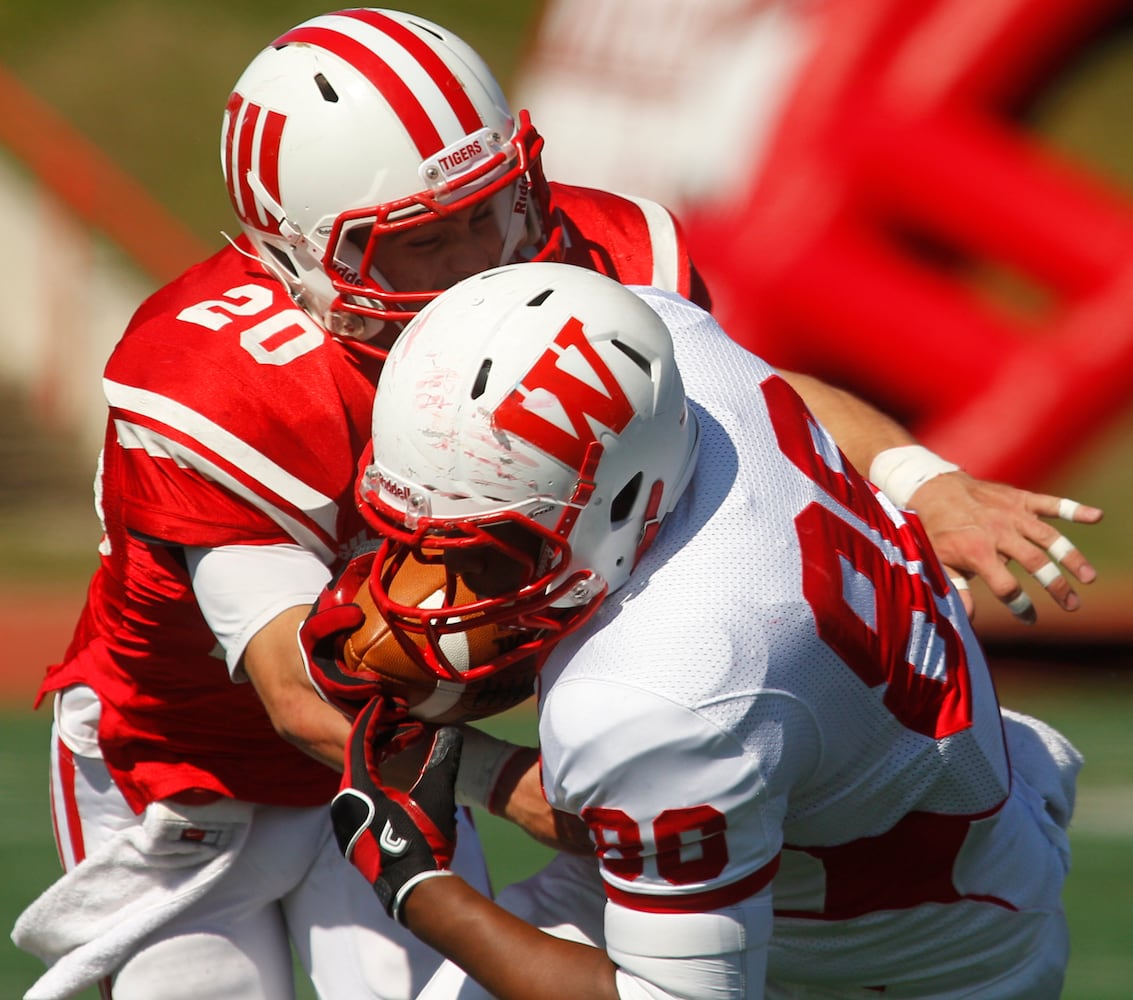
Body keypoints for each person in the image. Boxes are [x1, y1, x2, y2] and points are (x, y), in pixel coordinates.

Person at [10, 7, 1096, 999]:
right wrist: (506, 780)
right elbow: (300, 686)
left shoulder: (589, 260)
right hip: (188, 765)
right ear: (296, 258)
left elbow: (753, 388)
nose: (482, 260)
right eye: (421, 240)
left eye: (492, 206)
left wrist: (918, 477)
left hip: (409, 737)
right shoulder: (217, 387)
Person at [327, 260, 1084, 999]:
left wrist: (421, 890)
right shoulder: (659, 345)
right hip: (879, 806)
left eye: (486, 552)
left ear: (621, 505)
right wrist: (917, 475)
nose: (428, 584)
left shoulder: (671, 680)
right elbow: (782, 392)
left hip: (885, 956)